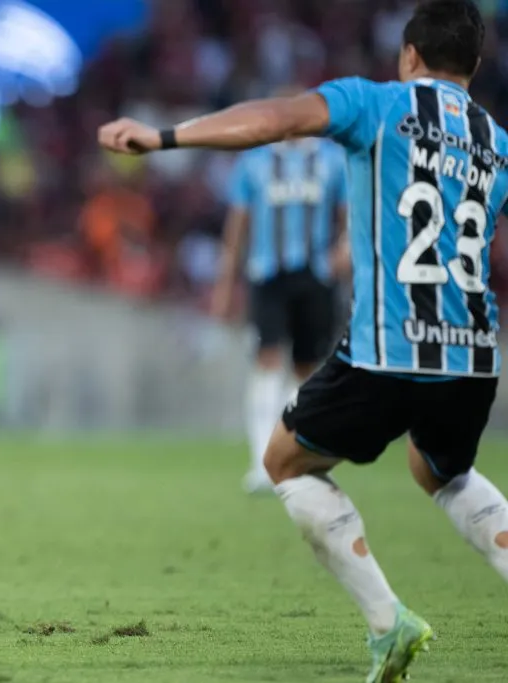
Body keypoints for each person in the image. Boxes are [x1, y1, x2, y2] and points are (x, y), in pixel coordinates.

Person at [99, 1, 508, 680]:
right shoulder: (497, 141)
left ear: (408, 54)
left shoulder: (374, 102)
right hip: (473, 355)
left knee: (287, 461)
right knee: (441, 469)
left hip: (387, 348)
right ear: (477, 65)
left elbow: (276, 120)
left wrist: (165, 138)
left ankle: (389, 620)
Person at [212, 88, 349, 493]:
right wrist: (225, 282)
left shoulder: (330, 160)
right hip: (267, 274)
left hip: (316, 275)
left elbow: (347, 217)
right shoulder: (254, 162)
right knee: (267, 360)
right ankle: (261, 462)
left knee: (307, 369)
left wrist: (345, 252)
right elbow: (237, 226)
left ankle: (295, 458)